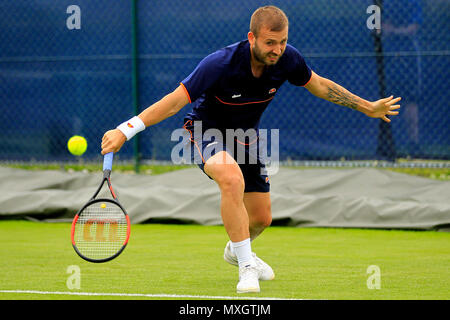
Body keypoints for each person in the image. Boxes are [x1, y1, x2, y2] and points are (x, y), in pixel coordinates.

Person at [101, 6, 401, 293]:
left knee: (261, 219)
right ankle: (246, 266)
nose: (277, 49)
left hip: (245, 138)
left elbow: (320, 85)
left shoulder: (288, 59)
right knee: (231, 178)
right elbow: (175, 101)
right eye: (270, 42)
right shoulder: (219, 63)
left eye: (282, 42)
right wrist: (125, 130)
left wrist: (367, 107)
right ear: (252, 38)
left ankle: (237, 248)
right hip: (205, 131)